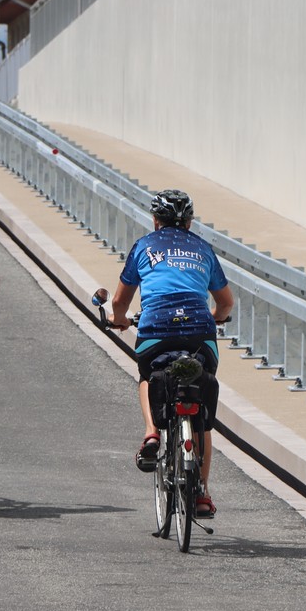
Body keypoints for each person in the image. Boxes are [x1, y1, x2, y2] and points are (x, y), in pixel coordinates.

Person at [108, 189, 233, 519]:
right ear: (190, 222)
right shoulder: (204, 250)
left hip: (156, 328)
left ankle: (151, 431)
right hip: (199, 332)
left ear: (154, 220)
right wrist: (217, 317)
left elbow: (120, 302)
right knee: (202, 401)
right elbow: (226, 301)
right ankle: (202, 493)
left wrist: (119, 320)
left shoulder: (144, 246)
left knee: (148, 376)